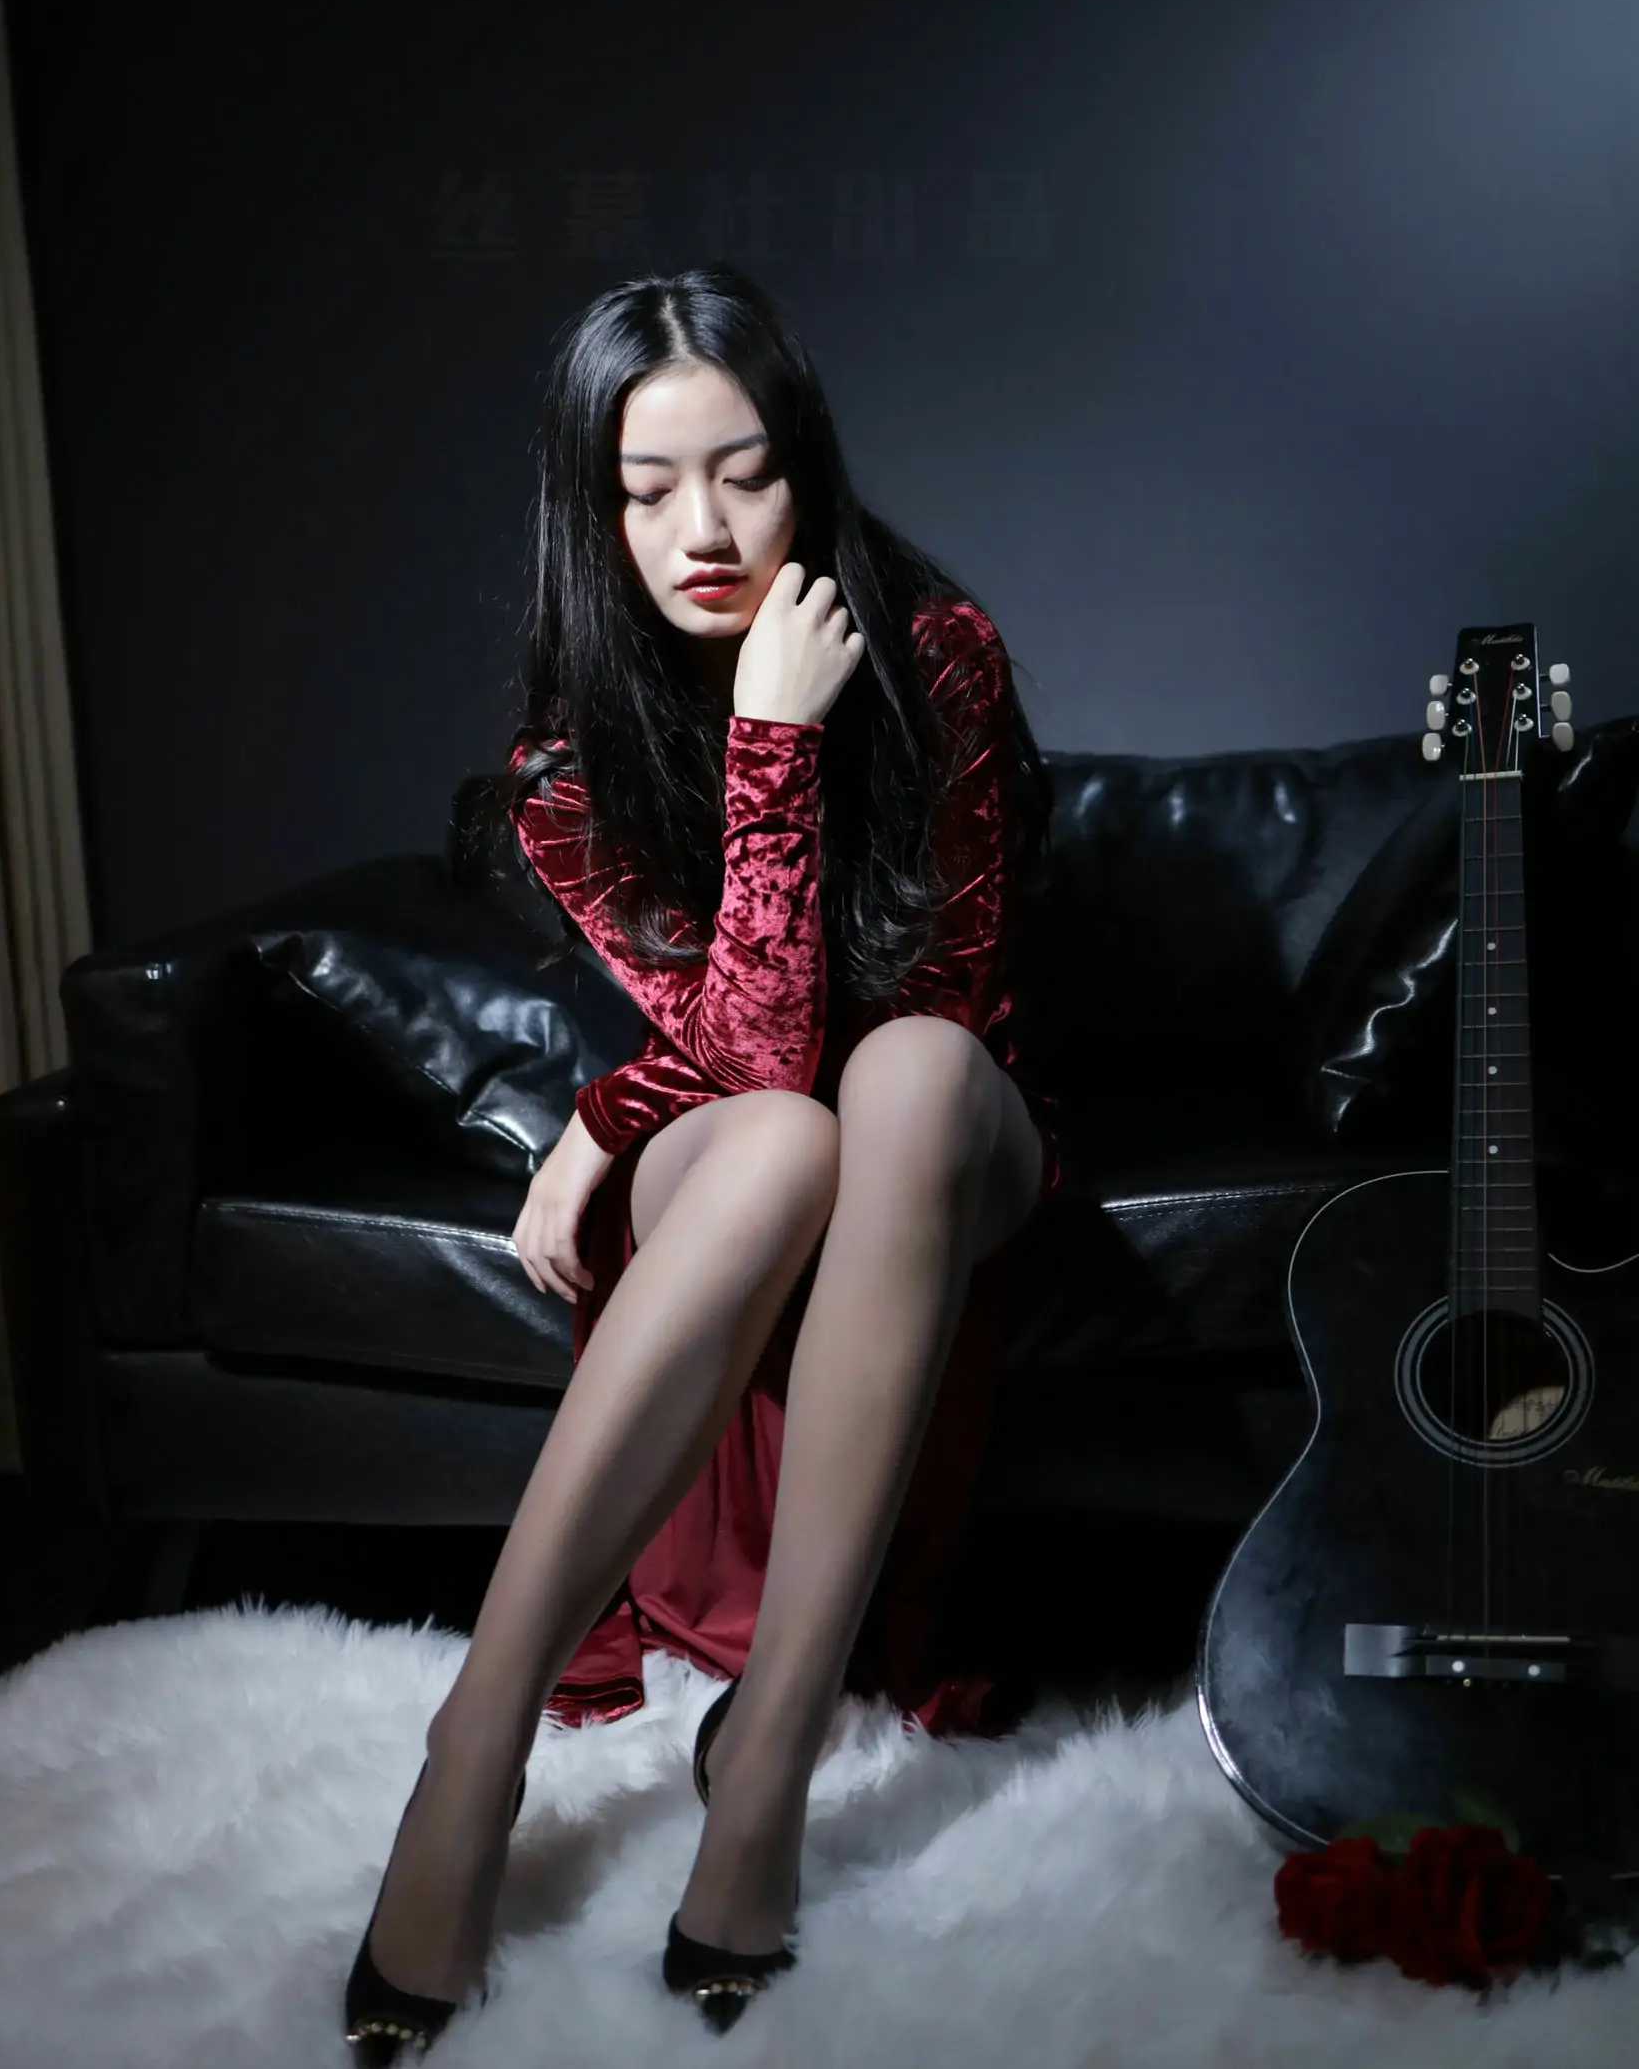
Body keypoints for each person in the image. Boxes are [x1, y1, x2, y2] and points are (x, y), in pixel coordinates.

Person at [345, 263, 1058, 2056]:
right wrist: (761, 751)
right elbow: (752, 1067)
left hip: (950, 1137)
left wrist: (602, 1110)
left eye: (744, 474)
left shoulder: (938, 654)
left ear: (804, 466)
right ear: (590, 512)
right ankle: (476, 1744)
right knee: (778, 1143)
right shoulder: (567, 764)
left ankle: (768, 1773)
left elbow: (937, 1002)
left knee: (902, 1078)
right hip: (757, 1136)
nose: (705, 530)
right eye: (648, 489)